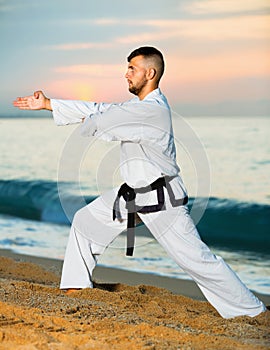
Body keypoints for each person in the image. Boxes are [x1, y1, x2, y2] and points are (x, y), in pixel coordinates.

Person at [13, 46, 266, 319]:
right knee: (86, 221)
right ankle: (76, 287)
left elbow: (103, 119)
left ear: (150, 73)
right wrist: (49, 103)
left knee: (198, 261)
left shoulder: (152, 111)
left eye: (132, 68)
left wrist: (89, 119)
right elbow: (102, 109)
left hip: (162, 200)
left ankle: (254, 311)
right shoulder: (138, 107)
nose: (126, 74)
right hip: (133, 194)